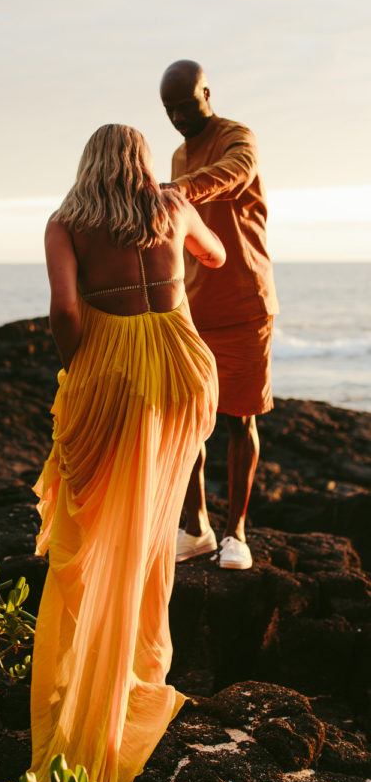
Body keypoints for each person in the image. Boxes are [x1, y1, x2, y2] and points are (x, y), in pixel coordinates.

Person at [30, 123, 225, 782]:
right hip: (184, 365)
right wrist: (176, 281)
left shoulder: (66, 222)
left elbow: (62, 309)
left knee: (93, 533)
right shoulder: (172, 207)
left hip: (114, 370)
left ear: (89, 163)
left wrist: (79, 366)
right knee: (149, 526)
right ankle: (136, 669)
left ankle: (94, 689)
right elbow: (219, 256)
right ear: (143, 162)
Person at [159, 59, 279, 571]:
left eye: (187, 105)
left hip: (246, 301)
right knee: (188, 421)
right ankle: (197, 527)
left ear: (207, 92)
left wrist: (177, 191)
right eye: (170, 111)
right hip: (192, 304)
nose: (180, 117)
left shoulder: (237, 137)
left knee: (239, 419)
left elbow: (235, 174)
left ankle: (237, 534)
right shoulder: (178, 154)